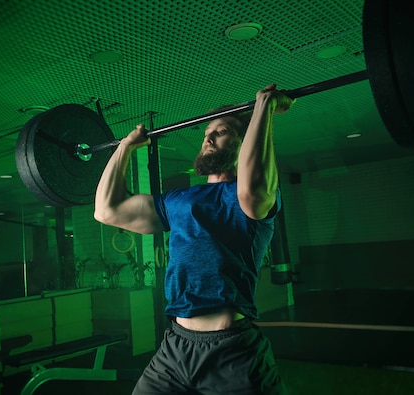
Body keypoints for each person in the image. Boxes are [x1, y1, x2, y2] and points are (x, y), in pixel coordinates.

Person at [94, 84, 294, 394]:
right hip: (175, 348)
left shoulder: (257, 196)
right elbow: (107, 210)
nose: (208, 137)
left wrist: (262, 110)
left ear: (242, 143)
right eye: (206, 134)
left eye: (222, 131)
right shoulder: (178, 199)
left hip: (232, 352)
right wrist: (125, 147)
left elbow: (251, 193)